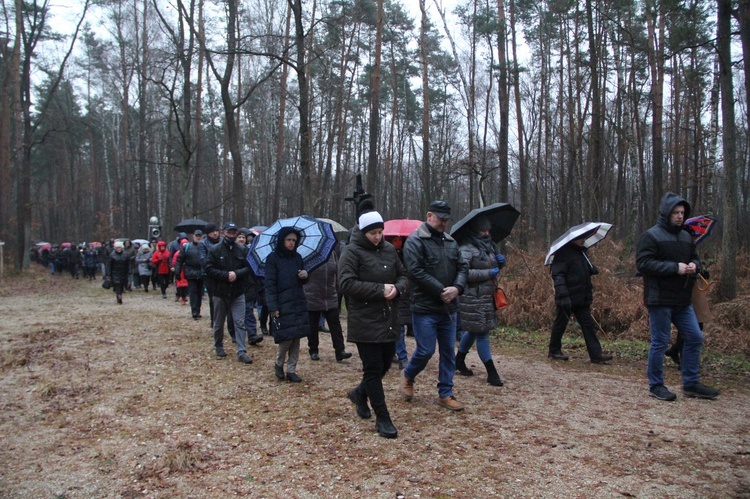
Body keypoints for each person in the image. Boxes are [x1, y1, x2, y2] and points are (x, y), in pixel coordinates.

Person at [636, 192, 720, 401]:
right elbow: (643, 264)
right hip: (660, 298)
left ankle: (691, 383)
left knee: (694, 337)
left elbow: (695, 258)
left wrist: (695, 266)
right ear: (666, 213)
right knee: (660, 342)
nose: (679, 216)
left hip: (683, 300)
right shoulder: (651, 236)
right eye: (675, 212)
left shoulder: (686, 236)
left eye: (682, 212)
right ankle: (656, 385)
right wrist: (675, 268)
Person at [339, 211, 408, 438]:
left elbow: (403, 275)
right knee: (372, 369)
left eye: (380, 232)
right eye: (372, 233)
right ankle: (383, 418)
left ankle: (359, 394)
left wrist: (398, 288)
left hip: (389, 318)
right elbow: (346, 283)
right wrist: (379, 291)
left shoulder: (389, 250)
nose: (377, 237)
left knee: (385, 365)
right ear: (363, 232)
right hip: (364, 320)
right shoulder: (351, 252)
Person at [401, 200, 469, 411]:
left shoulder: (451, 242)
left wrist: (457, 288)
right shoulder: (415, 241)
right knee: (426, 350)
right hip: (424, 307)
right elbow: (415, 271)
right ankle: (409, 375)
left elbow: (462, 267)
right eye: (440, 219)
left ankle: (445, 393)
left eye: (447, 220)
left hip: (449, 308)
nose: (443, 224)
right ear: (429, 215)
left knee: (449, 351)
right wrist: (441, 290)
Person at [455, 215, 507, 386]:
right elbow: (464, 273)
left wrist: (501, 263)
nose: (486, 233)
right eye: (482, 230)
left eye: (487, 230)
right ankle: (492, 373)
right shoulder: (465, 249)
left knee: (473, 330)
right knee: (482, 332)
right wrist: (488, 273)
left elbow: (493, 267)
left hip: (487, 296)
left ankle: (459, 360)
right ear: (474, 231)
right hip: (472, 296)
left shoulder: (490, 246)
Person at [547, 231, 613, 364]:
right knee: (560, 324)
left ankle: (596, 354)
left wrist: (591, 269)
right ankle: (554, 350)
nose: (583, 240)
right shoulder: (563, 253)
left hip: (582, 297)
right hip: (567, 297)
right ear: (573, 240)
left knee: (588, 325)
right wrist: (563, 296)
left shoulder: (582, 253)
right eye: (581, 238)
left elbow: (580, 271)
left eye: (584, 237)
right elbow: (558, 276)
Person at [265, 227, 310, 382]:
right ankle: (279, 363)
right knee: (286, 338)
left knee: (296, 337)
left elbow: (302, 279)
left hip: (297, 300)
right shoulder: (272, 259)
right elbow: (269, 284)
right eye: (288, 240)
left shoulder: (297, 257)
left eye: (294, 241)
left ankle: (291, 369)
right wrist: (273, 307)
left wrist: (304, 276)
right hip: (282, 302)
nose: (291, 243)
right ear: (282, 240)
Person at [205, 222, 253, 364]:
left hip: (238, 292)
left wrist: (236, 274)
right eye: (229, 232)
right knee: (219, 323)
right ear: (223, 232)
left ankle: (241, 350)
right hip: (220, 292)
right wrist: (226, 275)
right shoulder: (215, 250)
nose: (232, 235)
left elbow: (249, 267)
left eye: (234, 232)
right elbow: (208, 268)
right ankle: (218, 345)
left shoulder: (242, 250)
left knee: (239, 322)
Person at [304, 250, 352, 362]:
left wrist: (337, 289)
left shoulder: (332, 253)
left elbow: (337, 272)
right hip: (312, 295)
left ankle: (340, 351)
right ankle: (313, 350)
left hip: (330, 295)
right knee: (313, 325)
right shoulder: (307, 254)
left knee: (335, 324)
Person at [175, 230, 205, 319]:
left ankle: (197, 310)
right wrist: (177, 272)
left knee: (200, 293)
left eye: (200, 236)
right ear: (193, 236)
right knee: (193, 292)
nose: (198, 237)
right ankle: (194, 311)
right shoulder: (186, 247)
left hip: (202, 273)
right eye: (197, 236)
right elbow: (179, 260)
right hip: (190, 273)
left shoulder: (204, 246)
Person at [106, 240, 131, 304]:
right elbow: (108, 265)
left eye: (119, 247)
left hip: (123, 272)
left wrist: (129, 271)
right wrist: (108, 274)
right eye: (117, 248)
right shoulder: (112, 255)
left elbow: (128, 264)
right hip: (115, 272)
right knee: (117, 284)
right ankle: (118, 295)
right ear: (115, 248)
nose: (118, 249)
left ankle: (120, 294)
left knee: (122, 284)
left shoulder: (126, 255)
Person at [172, 238, 189, 305]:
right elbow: (174, 261)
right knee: (181, 286)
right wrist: (176, 268)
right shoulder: (177, 253)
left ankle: (184, 297)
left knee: (187, 285)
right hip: (181, 271)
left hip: (187, 270)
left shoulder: (190, 252)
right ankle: (182, 297)